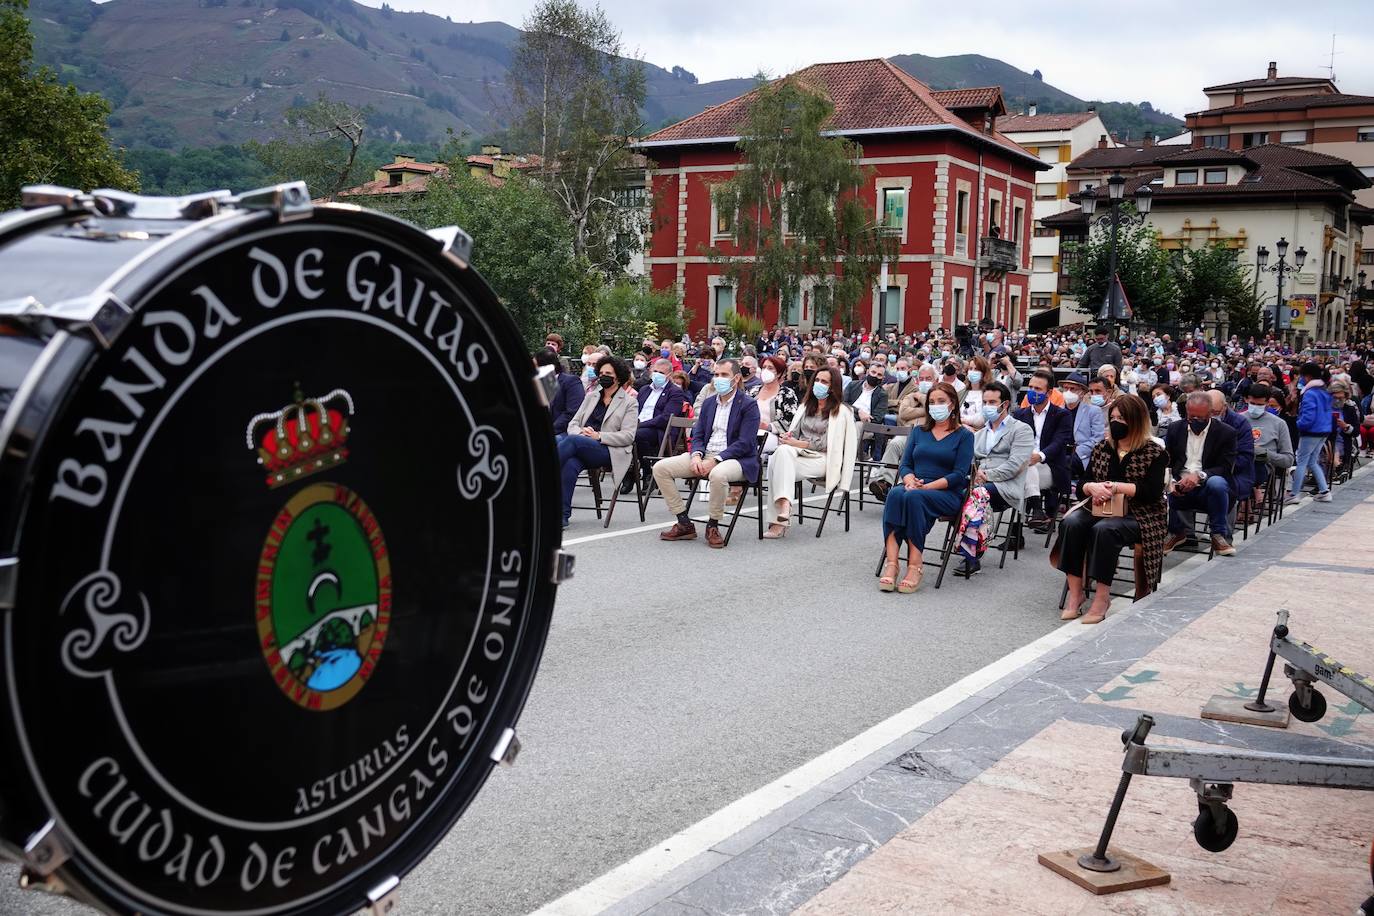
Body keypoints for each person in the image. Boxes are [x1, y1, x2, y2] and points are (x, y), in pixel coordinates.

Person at [1052, 394, 1168, 624]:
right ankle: (1077, 594)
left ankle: (1102, 597)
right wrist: (1093, 487)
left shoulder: (1154, 452)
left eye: (1122, 418)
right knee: (1071, 523)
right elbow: (1083, 483)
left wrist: (1116, 487)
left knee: (1105, 530)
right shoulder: (1102, 448)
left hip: (1140, 513)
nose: (1116, 423)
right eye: (1113, 417)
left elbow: (1152, 492)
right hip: (1100, 506)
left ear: (1136, 421)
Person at [653, 359, 760, 548]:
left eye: (724, 375)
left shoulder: (748, 404)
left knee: (718, 475)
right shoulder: (710, 403)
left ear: (736, 379)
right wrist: (696, 454)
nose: (718, 379)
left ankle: (713, 525)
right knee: (661, 468)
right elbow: (698, 434)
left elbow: (746, 442)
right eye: (716, 375)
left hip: (736, 459)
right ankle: (684, 522)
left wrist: (716, 460)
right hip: (705, 453)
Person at [879, 382, 974, 593]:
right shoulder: (919, 431)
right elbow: (905, 464)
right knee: (895, 494)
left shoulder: (964, 436)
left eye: (941, 401)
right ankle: (892, 563)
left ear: (952, 405)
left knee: (914, 499)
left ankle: (915, 564)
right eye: (931, 402)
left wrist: (927, 487)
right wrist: (910, 480)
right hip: (916, 485)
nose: (935, 406)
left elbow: (960, 475)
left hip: (947, 492)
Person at [764, 366, 858, 539]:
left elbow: (826, 444)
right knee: (781, 453)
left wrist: (796, 443)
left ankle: (778, 521)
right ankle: (785, 505)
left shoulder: (842, 411)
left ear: (832, 387)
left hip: (824, 459)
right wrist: (789, 436)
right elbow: (795, 433)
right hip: (798, 454)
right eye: (817, 380)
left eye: (824, 382)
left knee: (778, 461)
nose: (819, 384)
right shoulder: (805, 406)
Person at [957, 382, 1035, 575]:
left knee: (976, 494)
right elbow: (970, 460)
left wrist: (987, 476)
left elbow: (1016, 464)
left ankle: (971, 556)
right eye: (985, 402)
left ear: (1005, 404)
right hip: (979, 484)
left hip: (1005, 486)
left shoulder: (1022, 429)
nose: (988, 406)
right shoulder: (980, 433)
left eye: (993, 402)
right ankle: (965, 542)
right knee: (956, 493)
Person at [558, 356, 639, 528]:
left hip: (608, 450)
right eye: (601, 373)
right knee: (570, 464)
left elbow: (628, 436)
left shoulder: (629, 402)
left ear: (618, 376)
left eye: (608, 373)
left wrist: (599, 436)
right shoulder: (591, 396)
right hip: (582, 444)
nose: (603, 376)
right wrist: (581, 432)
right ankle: (562, 516)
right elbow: (573, 423)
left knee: (572, 441)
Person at [1163, 392, 1238, 556]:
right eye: (1191, 417)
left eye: (1200, 418)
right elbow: (1167, 461)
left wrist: (1200, 475)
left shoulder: (1226, 433)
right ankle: (1175, 531)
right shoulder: (1175, 429)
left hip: (1208, 486)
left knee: (1217, 483)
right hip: (1180, 484)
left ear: (1211, 413)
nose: (1195, 421)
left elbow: (1225, 467)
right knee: (1168, 485)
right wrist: (1172, 481)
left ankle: (1218, 534)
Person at [1013, 369, 1073, 530]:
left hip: (1051, 467)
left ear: (1049, 392)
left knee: (1023, 471)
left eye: (1038, 389)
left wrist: (1039, 456)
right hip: (1024, 466)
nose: (1032, 391)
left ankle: (1015, 531)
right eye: (1031, 387)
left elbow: (1059, 442)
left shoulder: (1062, 415)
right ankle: (1037, 509)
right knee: (1022, 470)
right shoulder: (1019, 414)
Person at [624, 358, 688, 493]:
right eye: (655, 371)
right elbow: (634, 410)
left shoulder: (675, 392)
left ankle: (647, 472)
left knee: (637, 435)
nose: (657, 375)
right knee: (621, 435)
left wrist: (640, 425)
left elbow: (665, 418)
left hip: (660, 430)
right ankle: (630, 471)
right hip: (638, 426)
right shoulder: (644, 390)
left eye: (661, 373)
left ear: (669, 375)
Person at [1287, 361, 1333, 504]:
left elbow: (1308, 415)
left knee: (1301, 462)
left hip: (1310, 431)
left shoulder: (1310, 393)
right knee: (1312, 461)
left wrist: (1299, 425)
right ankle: (1324, 491)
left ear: (1307, 376)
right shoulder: (1324, 391)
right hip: (1323, 430)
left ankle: (1294, 493)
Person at [1244, 383, 1294, 509]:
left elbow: (1288, 460)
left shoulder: (1279, 424)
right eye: (1253, 403)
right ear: (1247, 400)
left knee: (1253, 463)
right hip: (1240, 461)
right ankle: (1247, 500)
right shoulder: (1239, 419)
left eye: (1260, 405)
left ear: (1267, 404)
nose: (1255, 407)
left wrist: (1262, 453)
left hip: (1263, 464)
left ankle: (1247, 502)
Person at [751, 355, 799, 454]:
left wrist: (768, 426)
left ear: (779, 373)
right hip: (750, 430)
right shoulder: (753, 391)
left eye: (770, 368)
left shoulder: (787, 393)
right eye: (764, 367)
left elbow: (791, 421)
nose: (765, 370)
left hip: (773, 436)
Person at [1062, 371, 1105, 481]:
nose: (1068, 392)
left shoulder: (1093, 411)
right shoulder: (1058, 410)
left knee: (1064, 464)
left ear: (1082, 392)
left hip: (1081, 455)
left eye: (1072, 389)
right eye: (1065, 388)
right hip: (1060, 452)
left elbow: (1098, 438)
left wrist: (1078, 452)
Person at [535, 347, 586, 437]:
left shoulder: (571, 382)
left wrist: (549, 430)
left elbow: (572, 412)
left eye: (535, 366)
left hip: (562, 431)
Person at [959, 356, 991, 429]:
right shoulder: (961, 393)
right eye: (970, 369)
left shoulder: (989, 393)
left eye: (976, 369)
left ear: (984, 372)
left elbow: (985, 420)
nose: (973, 371)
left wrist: (965, 421)